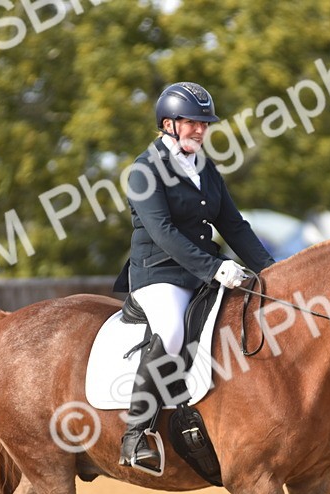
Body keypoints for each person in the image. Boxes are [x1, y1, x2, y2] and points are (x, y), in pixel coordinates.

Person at [113, 81, 275, 472]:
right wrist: (214, 267)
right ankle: (136, 434)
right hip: (159, 273)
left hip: (204, 271)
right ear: (168, 124)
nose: (201, 130)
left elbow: (233, 225)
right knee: (170, 332)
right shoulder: (143, 171)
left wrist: (272, 272)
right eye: (192, 123)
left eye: (205, 124)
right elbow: (163, 232)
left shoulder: (204, 166)